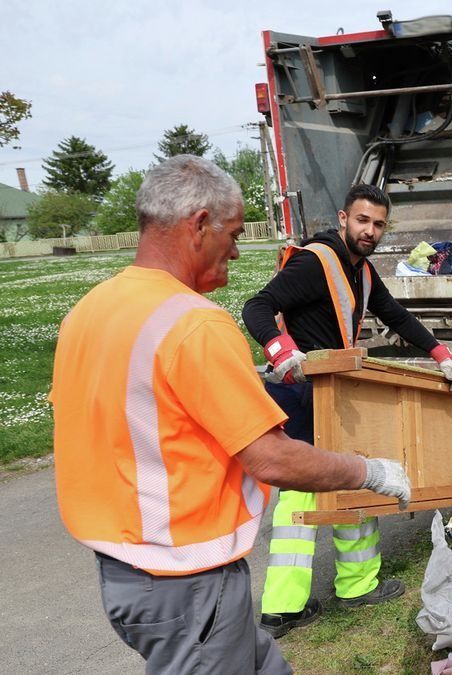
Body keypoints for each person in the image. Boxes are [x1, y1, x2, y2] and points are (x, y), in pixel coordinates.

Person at [50, 155, 412, 674]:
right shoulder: (194, 325)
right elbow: (271, 460)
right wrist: (370, 470)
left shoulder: (91, 309)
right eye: (235, 233)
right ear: (199, 225)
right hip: (184, 578)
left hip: (125, 567)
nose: (239, 251)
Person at [241, 183, 452, 637]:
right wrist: (282, 351)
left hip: (331, 392)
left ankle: (327, 593)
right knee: (318, 490)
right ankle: (307, 600)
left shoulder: (361, 270)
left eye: (379, 224)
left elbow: (395, 314)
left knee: (338, 483)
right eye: (362, 220)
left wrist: (441, 353)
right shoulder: (314, 260)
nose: (370, 230)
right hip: (303, 392)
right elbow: (257, 306)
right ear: (343, 218)